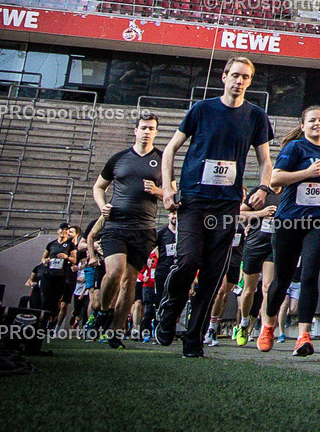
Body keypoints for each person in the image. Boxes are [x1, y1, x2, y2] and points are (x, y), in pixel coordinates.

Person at [155, 57, 274, 358]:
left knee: (212, 274)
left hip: (227, 204)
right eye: (235, 75)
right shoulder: (201, 109)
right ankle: (169, 310)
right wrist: (168, 187)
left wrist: (262, 187)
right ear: (223, 77)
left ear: (250, 81)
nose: (239, 81)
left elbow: (265, 160)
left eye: (245, 77)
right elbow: (170, 149)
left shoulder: (256, 116)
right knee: (188, 261)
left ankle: (193, 338)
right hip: (193, 200)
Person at [257, 105, 320, 356]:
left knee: (309, 276)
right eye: (313, 121)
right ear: (303, 125)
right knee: (282, 280)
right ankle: (268, 324)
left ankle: (304, 336)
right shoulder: (294, 148)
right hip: (290, 220)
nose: (318, 124)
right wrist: (306, 173)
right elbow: (275, 179)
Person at [89, 112, 166, 349]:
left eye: (151, 128)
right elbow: (99, 187)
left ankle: (114, 332)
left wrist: (157, 191)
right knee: (115, 272)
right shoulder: (119, 158)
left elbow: (172, 195)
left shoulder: (163, 159)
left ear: (156, 132)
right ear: (135, 130)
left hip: (144, 229)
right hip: (116, 225)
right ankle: (102, 311)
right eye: (143, 127)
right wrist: (103, 207)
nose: (147, 132)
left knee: (129, 281)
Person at [235, 185, 280, 345]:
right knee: (248, 291)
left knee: (268, 287)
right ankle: (244, 323)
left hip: (273, 246)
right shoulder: (259, 192)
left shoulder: (288, 192)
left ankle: (265, 329)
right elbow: (239, 214)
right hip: (254, 244)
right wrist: (261, 213)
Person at [205, 220, 246, 346]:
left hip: (235, 261)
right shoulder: (221, 220)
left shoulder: (243, 224)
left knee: (224, 298)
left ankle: (214, 328)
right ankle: (210, 328)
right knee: (220, 292)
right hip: (221, 259)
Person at [40, 223, 76, 328]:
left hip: (61, 276)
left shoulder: (70, 245)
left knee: (56, 300)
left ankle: (52, 321)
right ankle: (43, 320)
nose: (63, 231)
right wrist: (45, 261)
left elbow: (74, 259)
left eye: (66, 230)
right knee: (46, 298)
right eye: (62, 229)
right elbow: (43, 258)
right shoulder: (51, 244)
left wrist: (66, 257)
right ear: (58, 231)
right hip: (48, 274)